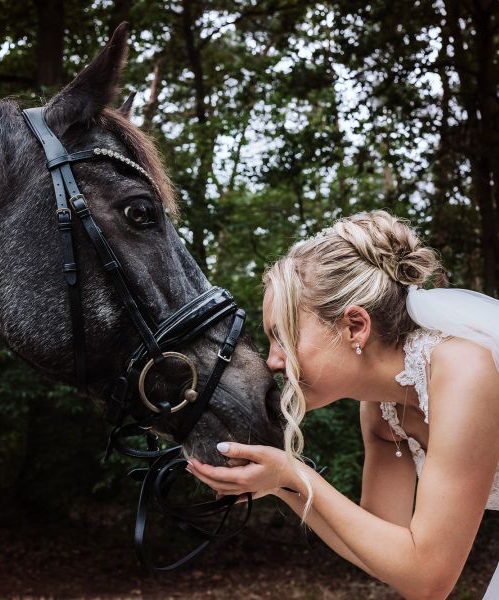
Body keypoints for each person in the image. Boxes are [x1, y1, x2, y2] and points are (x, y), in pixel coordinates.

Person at [186, 210, 499, 600]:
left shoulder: (464, 369)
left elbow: (428, 578)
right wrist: (279, 484)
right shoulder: (382, 412)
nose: (272, 361)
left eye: (283, 335)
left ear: (355, 326)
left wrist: (293, 476)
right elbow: (385, 555)